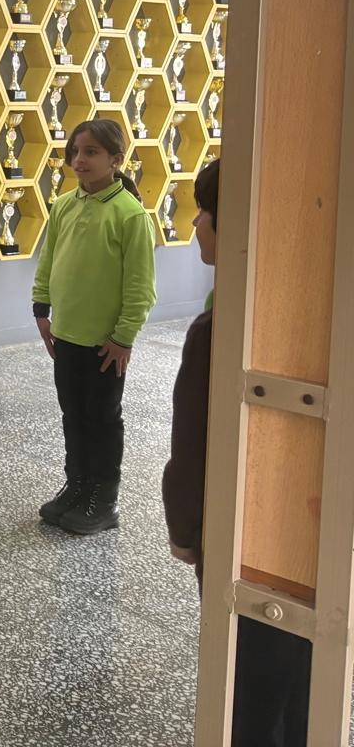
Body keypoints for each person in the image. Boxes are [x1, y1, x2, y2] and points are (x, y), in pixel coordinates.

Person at [163, 159, 310, 744]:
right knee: (303, 682)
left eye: (206, 210)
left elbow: (193, 448)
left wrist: (186, 530)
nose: (196, 222)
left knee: (247, 684)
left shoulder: (218, 331)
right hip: (310, 545)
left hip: (242, 542)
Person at [33, 118, 156, 536]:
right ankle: (77, 487)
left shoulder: (131, 215)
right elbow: (49, 260)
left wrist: (123, 337)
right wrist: (41, 309)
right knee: (73, 414)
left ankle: (102, 500)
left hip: (105, 344)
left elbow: (141, 287)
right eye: (75, 152)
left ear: (116, 160)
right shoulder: (64, 205)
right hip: (66, 336)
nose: (79, 160)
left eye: (91, 152)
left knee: (102, 418)